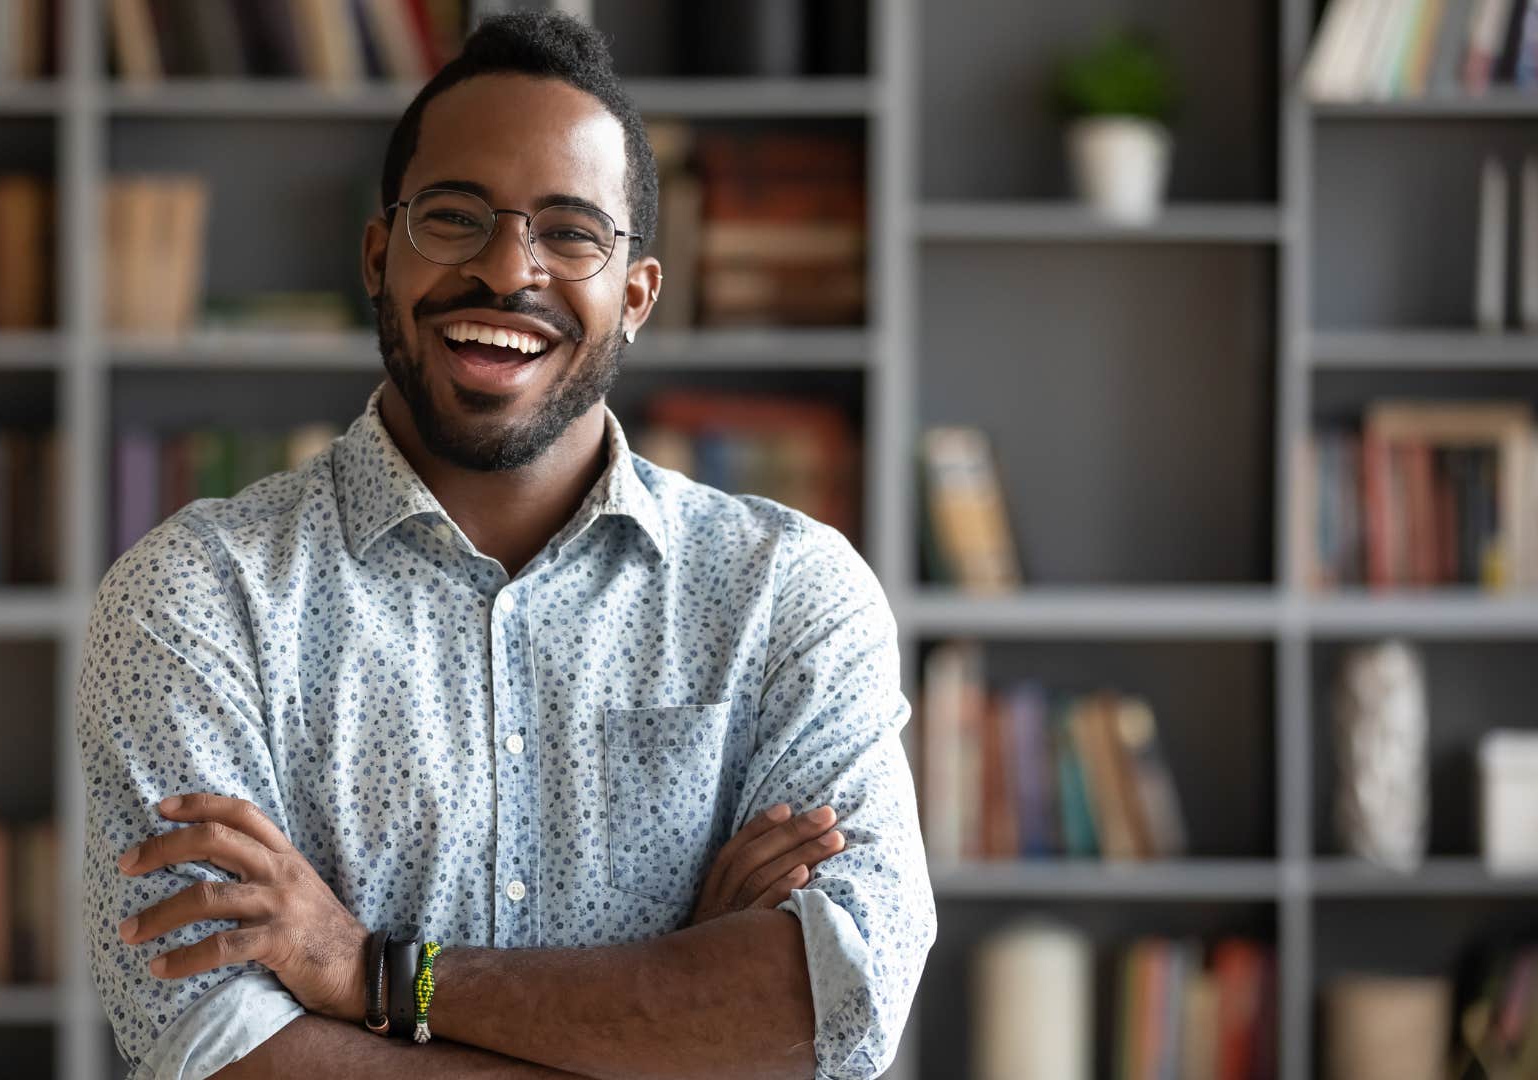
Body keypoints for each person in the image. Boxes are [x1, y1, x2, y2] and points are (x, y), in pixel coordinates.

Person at [78, 11, 934, 1079]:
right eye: (454, 217)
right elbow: (218, 1051)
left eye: (571, 231)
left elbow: (834, 1002)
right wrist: (679, 1019)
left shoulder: (789, 596)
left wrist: (371, 975)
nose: (506, 269)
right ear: (379, 255)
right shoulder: (194, 597)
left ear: (636, 295)